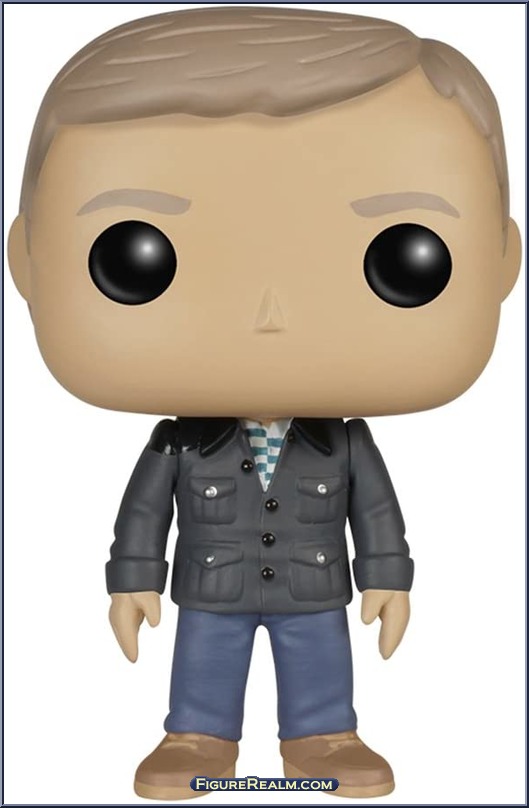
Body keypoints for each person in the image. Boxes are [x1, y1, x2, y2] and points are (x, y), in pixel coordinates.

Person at [8, 5, 520, 800]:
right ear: (26, 261)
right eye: (134, 260)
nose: (270, 312)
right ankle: (195, 737)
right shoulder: (177, 444)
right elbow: (142, 513)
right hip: (210, 584)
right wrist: (131, 579)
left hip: (313, 585)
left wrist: (388, 577)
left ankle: (324, 736)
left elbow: (376, 514)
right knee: (203, 663)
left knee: (319, 665)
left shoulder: (345, 443)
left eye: (403, 259)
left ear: (502, 261)